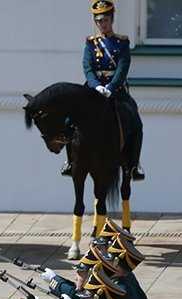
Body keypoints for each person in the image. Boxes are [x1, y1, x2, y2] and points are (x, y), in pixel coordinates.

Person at [62, 1, 144, 180]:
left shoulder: (122, 42)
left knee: (136, 121)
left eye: (105, 20)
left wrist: (111, 87)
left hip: (116, 89)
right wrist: (95, 85)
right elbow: (87, 66)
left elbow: (123, 67)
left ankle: (134, 165)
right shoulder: (91, 43)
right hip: (93, 88)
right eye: (98, 21)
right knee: (69, 120)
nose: (102, 24)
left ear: (111, 20)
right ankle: (70, 162)